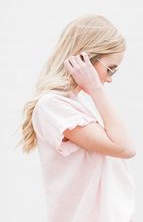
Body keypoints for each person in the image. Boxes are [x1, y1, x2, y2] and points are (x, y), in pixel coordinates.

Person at [17, 14, 136, 222]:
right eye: (110, 70)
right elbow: (125, 148)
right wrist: (96, 89)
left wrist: (94, 91)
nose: (109, 79)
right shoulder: (53, 106)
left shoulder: (83, 103)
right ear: (84, 60)